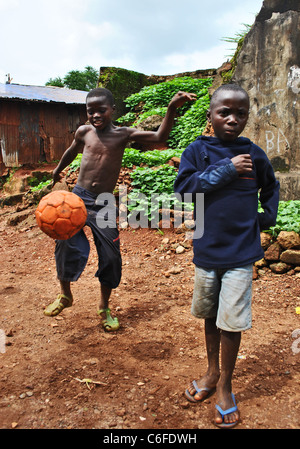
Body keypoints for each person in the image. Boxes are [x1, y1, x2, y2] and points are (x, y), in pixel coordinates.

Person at [44, 87, 196, 332]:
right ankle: (65, 296)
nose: (95, 115)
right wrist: (57, 169)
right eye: (90, 111)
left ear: (112, 110)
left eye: (101, 110)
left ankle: (104, 307)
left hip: (103, 201)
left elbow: (159, 137)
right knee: (65, 244)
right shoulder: (84, 132)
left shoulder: (123, 134)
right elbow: (71, 151)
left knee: (111, 256)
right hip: (78, 199)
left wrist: (170, 108)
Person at [174, 83, 279, 428]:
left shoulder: (254, 153)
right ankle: (211, 371)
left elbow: (271, 186)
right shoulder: (197, 151)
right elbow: (186, 191)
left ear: (247, 116)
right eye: (225, 112)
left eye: (240, 113)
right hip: (207, 251)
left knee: (231, 321)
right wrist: (227, 170)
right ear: (211, 115)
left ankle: (226, 387)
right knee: (210, 315)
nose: (233, 120)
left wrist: (264, 218)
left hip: (240, 254)